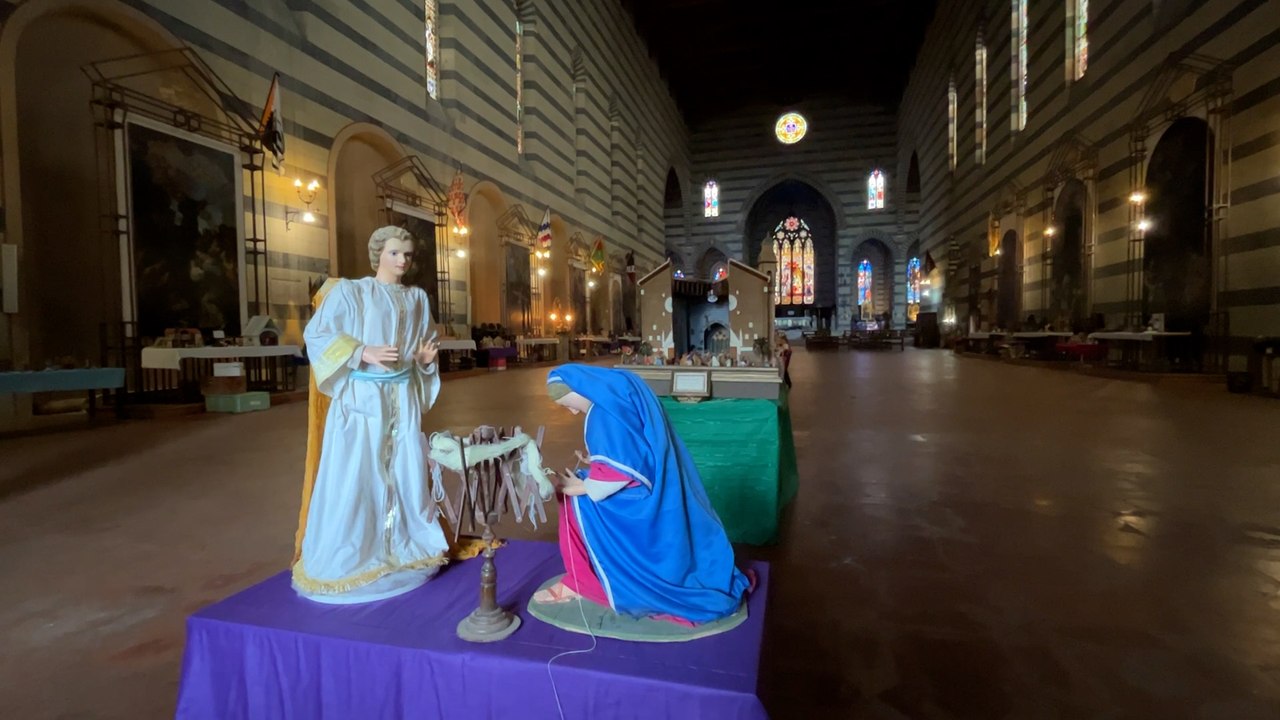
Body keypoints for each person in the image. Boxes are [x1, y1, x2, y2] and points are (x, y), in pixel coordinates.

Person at [292, 226, 448, 604]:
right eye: (395, 253)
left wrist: (425, 362)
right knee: (359, 471)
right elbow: (318, 334)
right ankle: (357, 548)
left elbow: (422, 346)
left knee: (404, 469)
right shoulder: (352, 292)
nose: (402, 261)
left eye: (408, 255)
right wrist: (362, 351)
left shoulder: (417, 299)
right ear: (379, 253)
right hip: (363, 397)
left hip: (402, 397)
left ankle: (402, 543)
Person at [532, 363, 752, 625]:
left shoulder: (601, 415)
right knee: (578, 487)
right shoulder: (619, 394)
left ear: (581, 389)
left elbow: (617, 476)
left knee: (572, 501)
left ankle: (583, 583)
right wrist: (597, 461)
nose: (569, 410)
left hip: (637, 504)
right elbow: (637, 451)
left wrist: (579, 487)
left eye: (567, 402)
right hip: (656, 488)